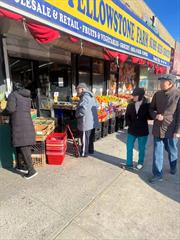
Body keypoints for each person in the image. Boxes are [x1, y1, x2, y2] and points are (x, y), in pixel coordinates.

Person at [2, 82, 38, 179]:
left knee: (23, 147)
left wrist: (2, 111)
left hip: (19, 124)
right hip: (26, 122)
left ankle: (31, 171)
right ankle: (21, 166)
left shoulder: (13, 95)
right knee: (20, 146)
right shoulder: (26, 96)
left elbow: (10, 109)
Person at [149, 74, 180, 183]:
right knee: (157, 151)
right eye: (160, 81)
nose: (160, 84)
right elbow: (151, 108)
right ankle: (157, 174)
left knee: (172, 149)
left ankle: (173, 165)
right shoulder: (157, 94)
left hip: (171, 129)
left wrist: (178, 131)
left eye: (163, 82)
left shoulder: (178, 95)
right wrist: (155, 115)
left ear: (170, 83)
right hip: (158, 127)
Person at [125, 87, 150, 169]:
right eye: (133, 95)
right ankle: (129, 163)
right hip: (132, 130)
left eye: (135, 95)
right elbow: (127, 116)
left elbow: (151, 116)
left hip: (142, 131)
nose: (133, 97)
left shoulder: (147, 105)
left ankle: (140, 162)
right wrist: (129, 124)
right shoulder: (130, 105)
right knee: (129, 147)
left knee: (141, 148)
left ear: (140, 96)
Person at [75, 83, 99, 157]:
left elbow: (83, 110)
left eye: (77, 90)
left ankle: (84, 153)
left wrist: (77, 114)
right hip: (92, 121)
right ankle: (90, 150)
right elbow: (97, 105)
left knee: (85, 139)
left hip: (86, 122)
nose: (77, 92)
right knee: (90, 138)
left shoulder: (85, 97)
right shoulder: (91, 95)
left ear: (82, 89)